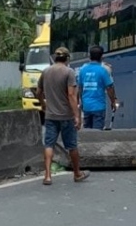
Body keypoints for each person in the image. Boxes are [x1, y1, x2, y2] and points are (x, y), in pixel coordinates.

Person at [35, 46, 88, 185]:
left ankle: (47, 176)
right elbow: (71, 95)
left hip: (50, 116)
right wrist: (77, 116)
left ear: (55, 57)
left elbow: (38, 92)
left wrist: (43, 105)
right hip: (66, 116)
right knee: (72, 146)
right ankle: (77, 173)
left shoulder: (46, 72)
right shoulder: (69, 72)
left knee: (49, 145)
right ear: (67, 59)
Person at [77, 45, 117, 130]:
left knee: (87, 133)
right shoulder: (103, 70)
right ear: (102, 57)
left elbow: (80, 88)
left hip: (86, 107)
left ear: (89, 57)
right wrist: (113, 101)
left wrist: (81, 102)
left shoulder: (83, 70)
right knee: (97, 134)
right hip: (99, 107)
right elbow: (110, 88)